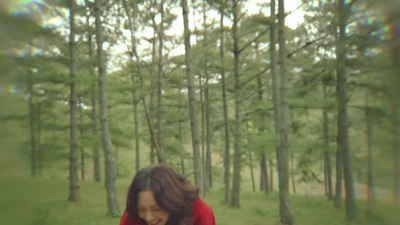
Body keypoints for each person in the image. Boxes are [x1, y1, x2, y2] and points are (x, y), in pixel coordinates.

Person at [119, 164, 216, 225]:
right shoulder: (132, 215)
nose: (149, 217)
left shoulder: (199, 212)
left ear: (171, 201)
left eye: (156, 208)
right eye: (141, 209)